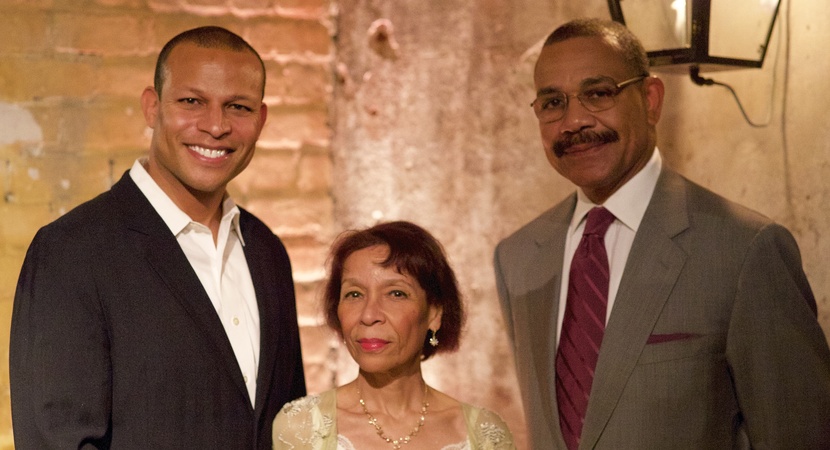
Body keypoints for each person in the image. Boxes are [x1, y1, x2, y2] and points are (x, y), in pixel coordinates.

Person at [493, 17, 830, 450]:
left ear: (651, 100)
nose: (574, 120)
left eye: (598, 94)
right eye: (552, 102)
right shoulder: (518, 257)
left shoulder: (744, 250)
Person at [9, 26, 306, 449]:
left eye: (237, 107)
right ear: (152, 107)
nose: (216, 126)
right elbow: (57, 440)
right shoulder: (71, 251)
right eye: (192, 101)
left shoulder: (267, 251)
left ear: (260, 120)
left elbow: (290, 428)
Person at [273, 221, 515, 450]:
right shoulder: (300, 428)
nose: (369, 315)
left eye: (396, 293)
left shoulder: (484, 436)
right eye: (354, 294)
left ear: (434, 314)